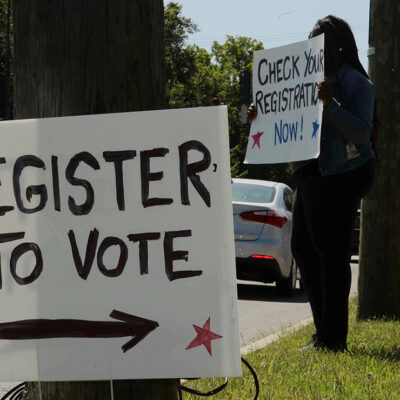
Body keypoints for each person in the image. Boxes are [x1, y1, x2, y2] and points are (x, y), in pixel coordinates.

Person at [248, 15, 377, 352]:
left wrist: (330, 104)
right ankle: (323, 333)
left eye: (317, 42)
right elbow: (285, 116)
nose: (313, 49)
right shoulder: (307, 79)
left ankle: (334, 339)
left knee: (331, 253)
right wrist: (259, 114)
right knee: (303, 248)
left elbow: (361, 133)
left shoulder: (355, 83)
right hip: (310, 170)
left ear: (336, 45)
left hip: (343, 173)